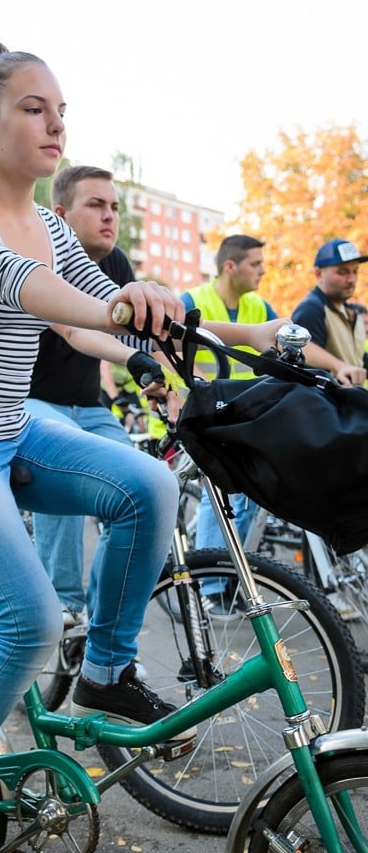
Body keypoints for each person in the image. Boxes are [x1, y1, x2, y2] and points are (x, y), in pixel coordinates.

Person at [0, 39, 285, 853]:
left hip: (11, 422)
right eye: (35, 108)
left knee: (149, 486)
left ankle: (105, 669)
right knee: (26, 620)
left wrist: (161, 337)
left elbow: (84, 330)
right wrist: (112, 303)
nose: (55, 122)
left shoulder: (57, 228)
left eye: (61, 110)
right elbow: (23, 288)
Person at [25, 165, 172, 626]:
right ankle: (65, 604)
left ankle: (104, 624)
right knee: (66, 467)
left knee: (148, 487)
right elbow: (74, 330)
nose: (110, 216)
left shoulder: (116, 264)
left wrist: (161, 377)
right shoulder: (36, 256)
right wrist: (135, 360)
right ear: (60, 214)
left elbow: (141, 334)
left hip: (90, 406)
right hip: (31, 403)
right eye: (96, 205)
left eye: (115, 207)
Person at [180, 235, 278, 601]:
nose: (263, 270)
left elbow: (282, 337)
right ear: (230, 266)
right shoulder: (191, 302)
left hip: (241, 416)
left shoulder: (258, 307)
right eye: (256, 263)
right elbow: (160, 344)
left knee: (253, 491)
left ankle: (234, 574)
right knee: (217, 489)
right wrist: (176, 394)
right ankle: (211, 587)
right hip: (200, 414)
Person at [291, 238, 368, 386]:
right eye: (342, 272)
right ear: (318, 274)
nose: (352, 279)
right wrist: (340, 367)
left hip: (352, 404)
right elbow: (302, 355)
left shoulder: (351, 312)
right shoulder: (311, 310)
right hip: (327, 406)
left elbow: (356, 358)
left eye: (355, 271)